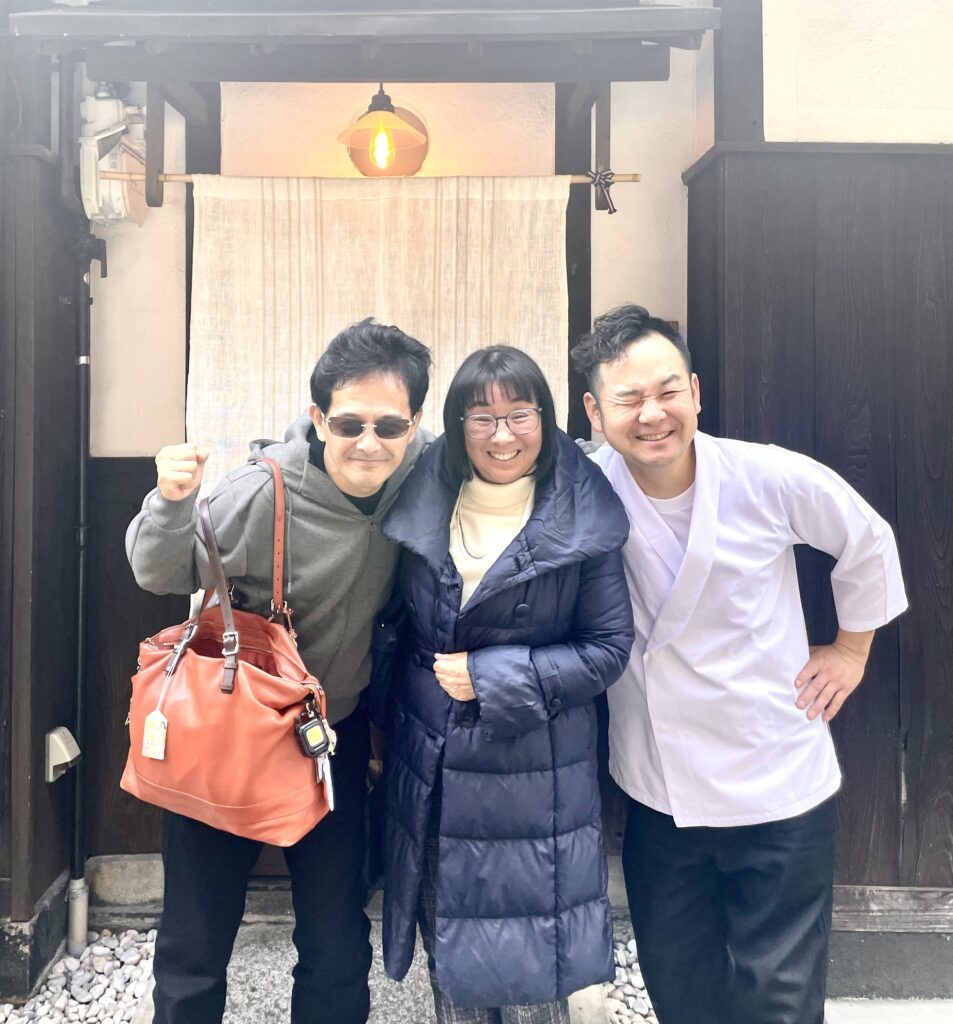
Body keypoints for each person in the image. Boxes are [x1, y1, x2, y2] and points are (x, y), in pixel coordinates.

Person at [571, 304, 908, 1024]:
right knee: (680, 990)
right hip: (660, 791)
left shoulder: (765, 475)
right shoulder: (584, 491)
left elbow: (867, 540)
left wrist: (850, 651)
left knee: (779, 1002)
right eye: (628, 399)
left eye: (667, 391)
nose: (652, 414)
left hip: (777, 785)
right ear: (595, 413)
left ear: (695, 391)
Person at [125, 318, 431, 1024]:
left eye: (390, 425)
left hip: (330, 735)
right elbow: (158, 570)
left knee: (336, 936)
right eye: (349, 423)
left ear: (414, 425)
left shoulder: (418, 472)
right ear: (319, 417)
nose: (369, 442)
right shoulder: (262, 493)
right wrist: (170, 502)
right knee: (196, 936)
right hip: (231, 732)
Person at [379, 346, 635, 1024]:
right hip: (432, 768)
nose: (502, 436)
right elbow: (397, 627)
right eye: (481, 417)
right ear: (456, 425)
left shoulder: (581, 509)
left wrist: (492, 676)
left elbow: (608, 648)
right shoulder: (427, 489)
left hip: (536, 776)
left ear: (545, 418)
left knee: (532, 966)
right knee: (452, 962)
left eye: (520, 414)